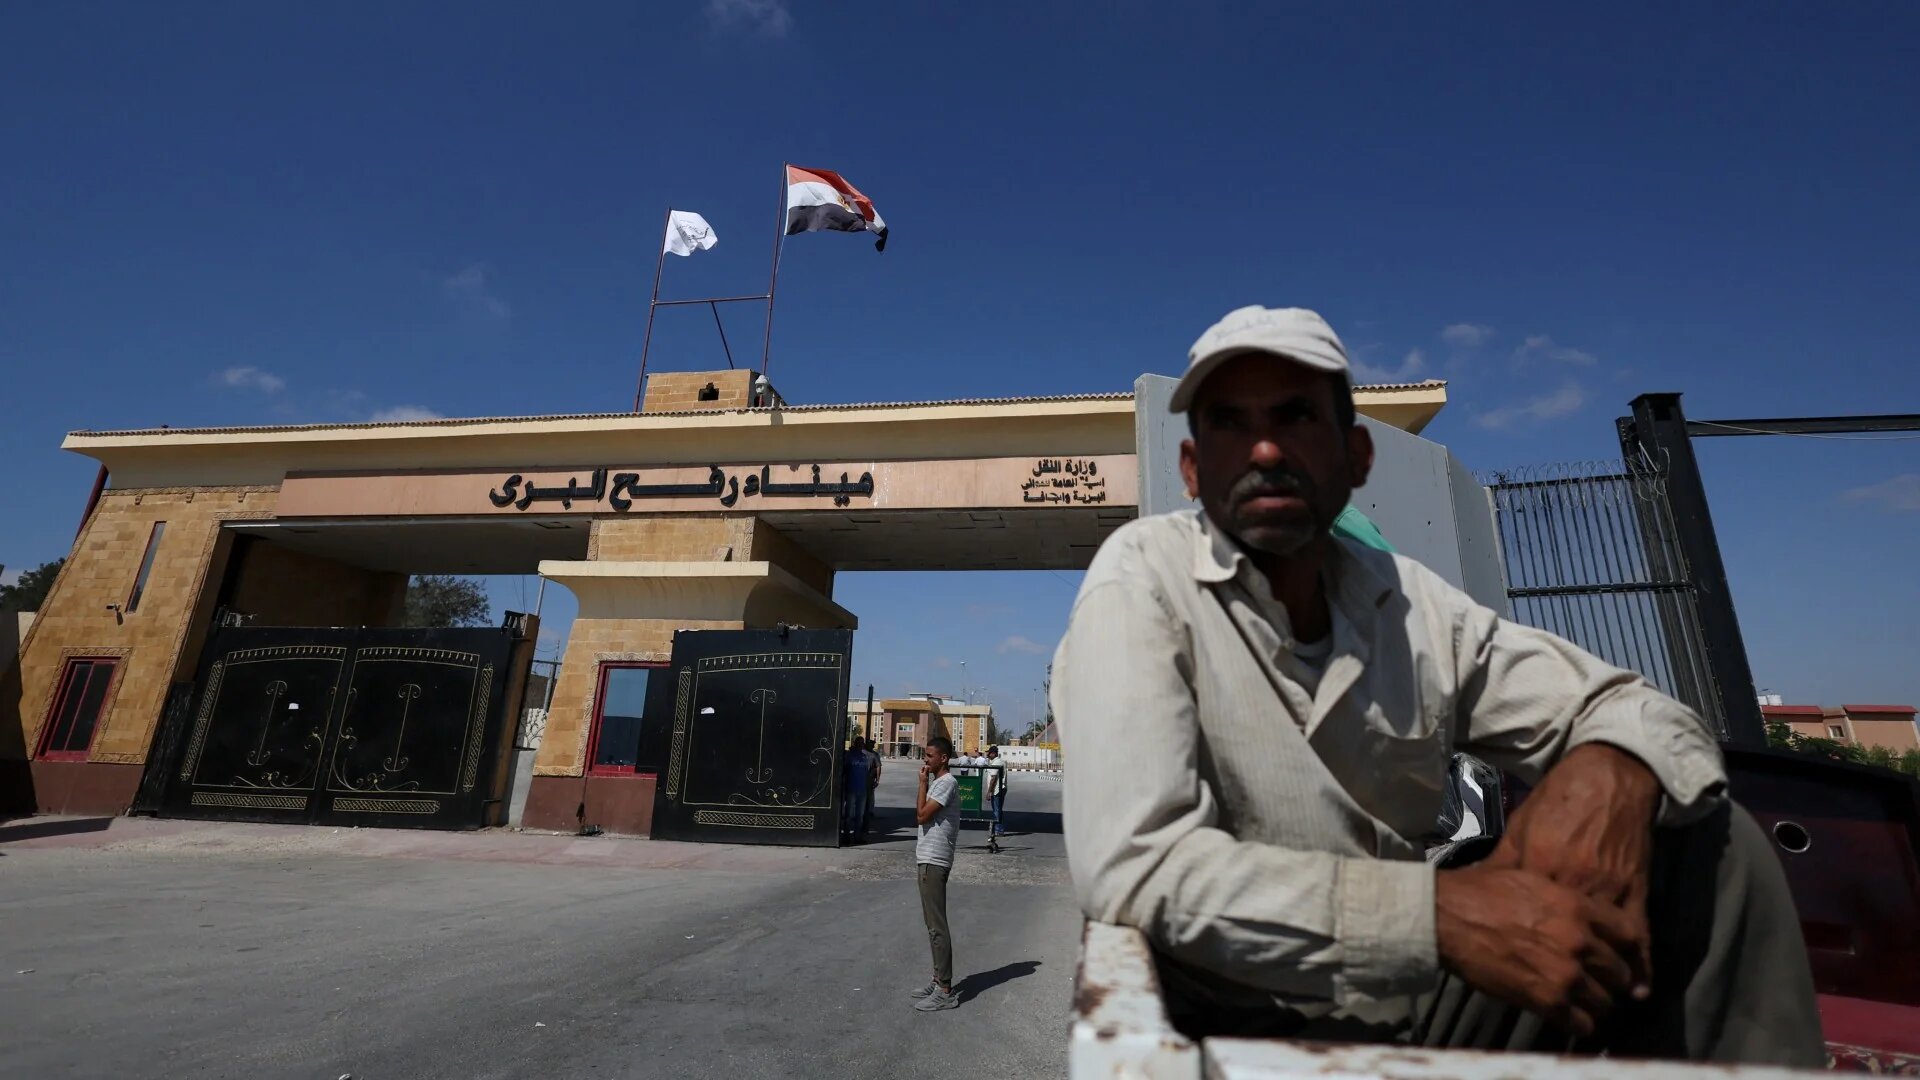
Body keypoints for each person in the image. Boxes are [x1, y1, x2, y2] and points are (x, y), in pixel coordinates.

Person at [1054, 306, 1821, 1064]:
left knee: (1708, 847)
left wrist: (1605, 770)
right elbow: (1136, 865)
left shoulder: (1413, 603)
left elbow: (1623, 704)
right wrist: (1441, 919)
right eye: (1227, 422)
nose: (1264, 447)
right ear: (1192, 469)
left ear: (1356, 457)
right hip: (1234, 1019)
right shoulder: (1143, 578)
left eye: (1295, 416)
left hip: (1411, 1000)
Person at [908, 735, 962, 1012]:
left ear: (943, 758)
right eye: (925, 755)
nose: (925, 760)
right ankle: (938, 977)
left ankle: (945, 990)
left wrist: (921, 784)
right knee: (932, 926)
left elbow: (921, 816)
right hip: (928, 859)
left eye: (929, 755)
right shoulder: (940, 783)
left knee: (937, 926)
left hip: (934, 860)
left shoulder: (946, 783)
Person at [841, 736, 871, 844]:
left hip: (862, 790)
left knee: (860, 815)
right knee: (849, 814)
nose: (860, 744)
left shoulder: (865, 757)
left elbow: (866, 773)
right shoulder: (849, 756)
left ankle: (857, 837)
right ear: (854, 743)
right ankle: (846, 836)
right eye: (858, 742)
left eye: (862, 743)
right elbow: (844, 770)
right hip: (851, 788)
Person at [983, 745, 1007, 837]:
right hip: (997, 789)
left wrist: (989, 792)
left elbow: (993, 778)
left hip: (997, 789)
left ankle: (999, 830)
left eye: (989, 753)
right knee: (998, 809)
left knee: (997, 810)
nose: (988, 754)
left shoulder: (997, 762)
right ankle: (999, 829)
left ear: (993, 753)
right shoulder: (994, 761)